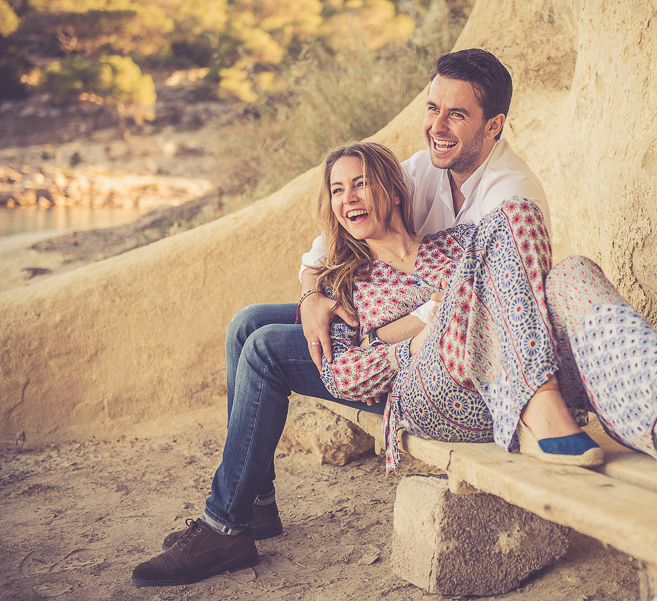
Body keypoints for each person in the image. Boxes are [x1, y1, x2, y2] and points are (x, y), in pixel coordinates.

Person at [131, 48, 550, 588]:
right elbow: (331, 233)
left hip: (446, 364)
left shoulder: (510, 197)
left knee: (264, 354)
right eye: (432, 108)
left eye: (457, 115)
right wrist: (313, 296)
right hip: (383, 325)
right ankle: (254, 504)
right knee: (248, 323)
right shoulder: (426, 168)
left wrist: (370, 337)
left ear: (494, 125)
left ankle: (224, 524)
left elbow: (472, 311)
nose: (436, 127)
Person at [313, 141, 657, 476]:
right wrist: (414, 342)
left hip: (505, 374)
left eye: (360, 183)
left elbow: (518, 289)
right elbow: (340, 375)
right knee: (499, 244)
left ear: (392, 191)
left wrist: (442, 307)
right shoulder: (342, 282)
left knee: (569, 272)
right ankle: (540, 401)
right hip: (434, 392)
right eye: (338, 190)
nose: (348, 197)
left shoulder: (454, 243)